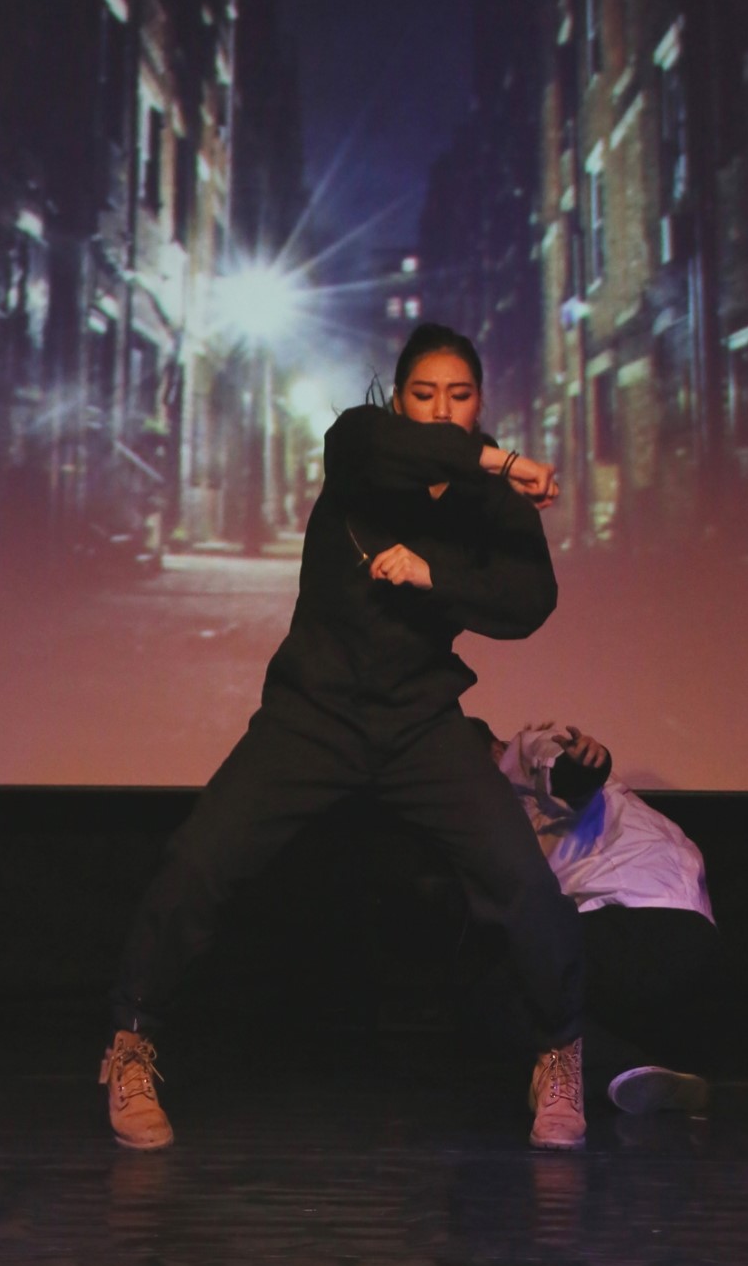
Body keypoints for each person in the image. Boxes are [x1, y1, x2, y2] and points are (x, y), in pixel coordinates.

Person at [99, 323, 588, 1153]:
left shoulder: (487, 501)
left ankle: (559, 1050)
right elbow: (396, 447)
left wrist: (436, 573)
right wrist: (502, 460)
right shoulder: (362, 445)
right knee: (200, 859)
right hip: (314, 715)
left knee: (523, 883)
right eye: (424, 394)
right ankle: (132, 1042)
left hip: (421, 722)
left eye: (460, 395)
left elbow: (529, 600)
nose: (442, 410)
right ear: (398, 400)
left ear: (480, 402)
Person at [464, 718, 719, 1115]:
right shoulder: (512, 818)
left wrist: (580, 766)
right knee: (555, 993)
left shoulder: (521, 753)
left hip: (627, 919)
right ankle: (644, 1076)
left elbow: (559, 768)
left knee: (501, 988)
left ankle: (616, 1069)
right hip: (689, 938)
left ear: (496, 751)